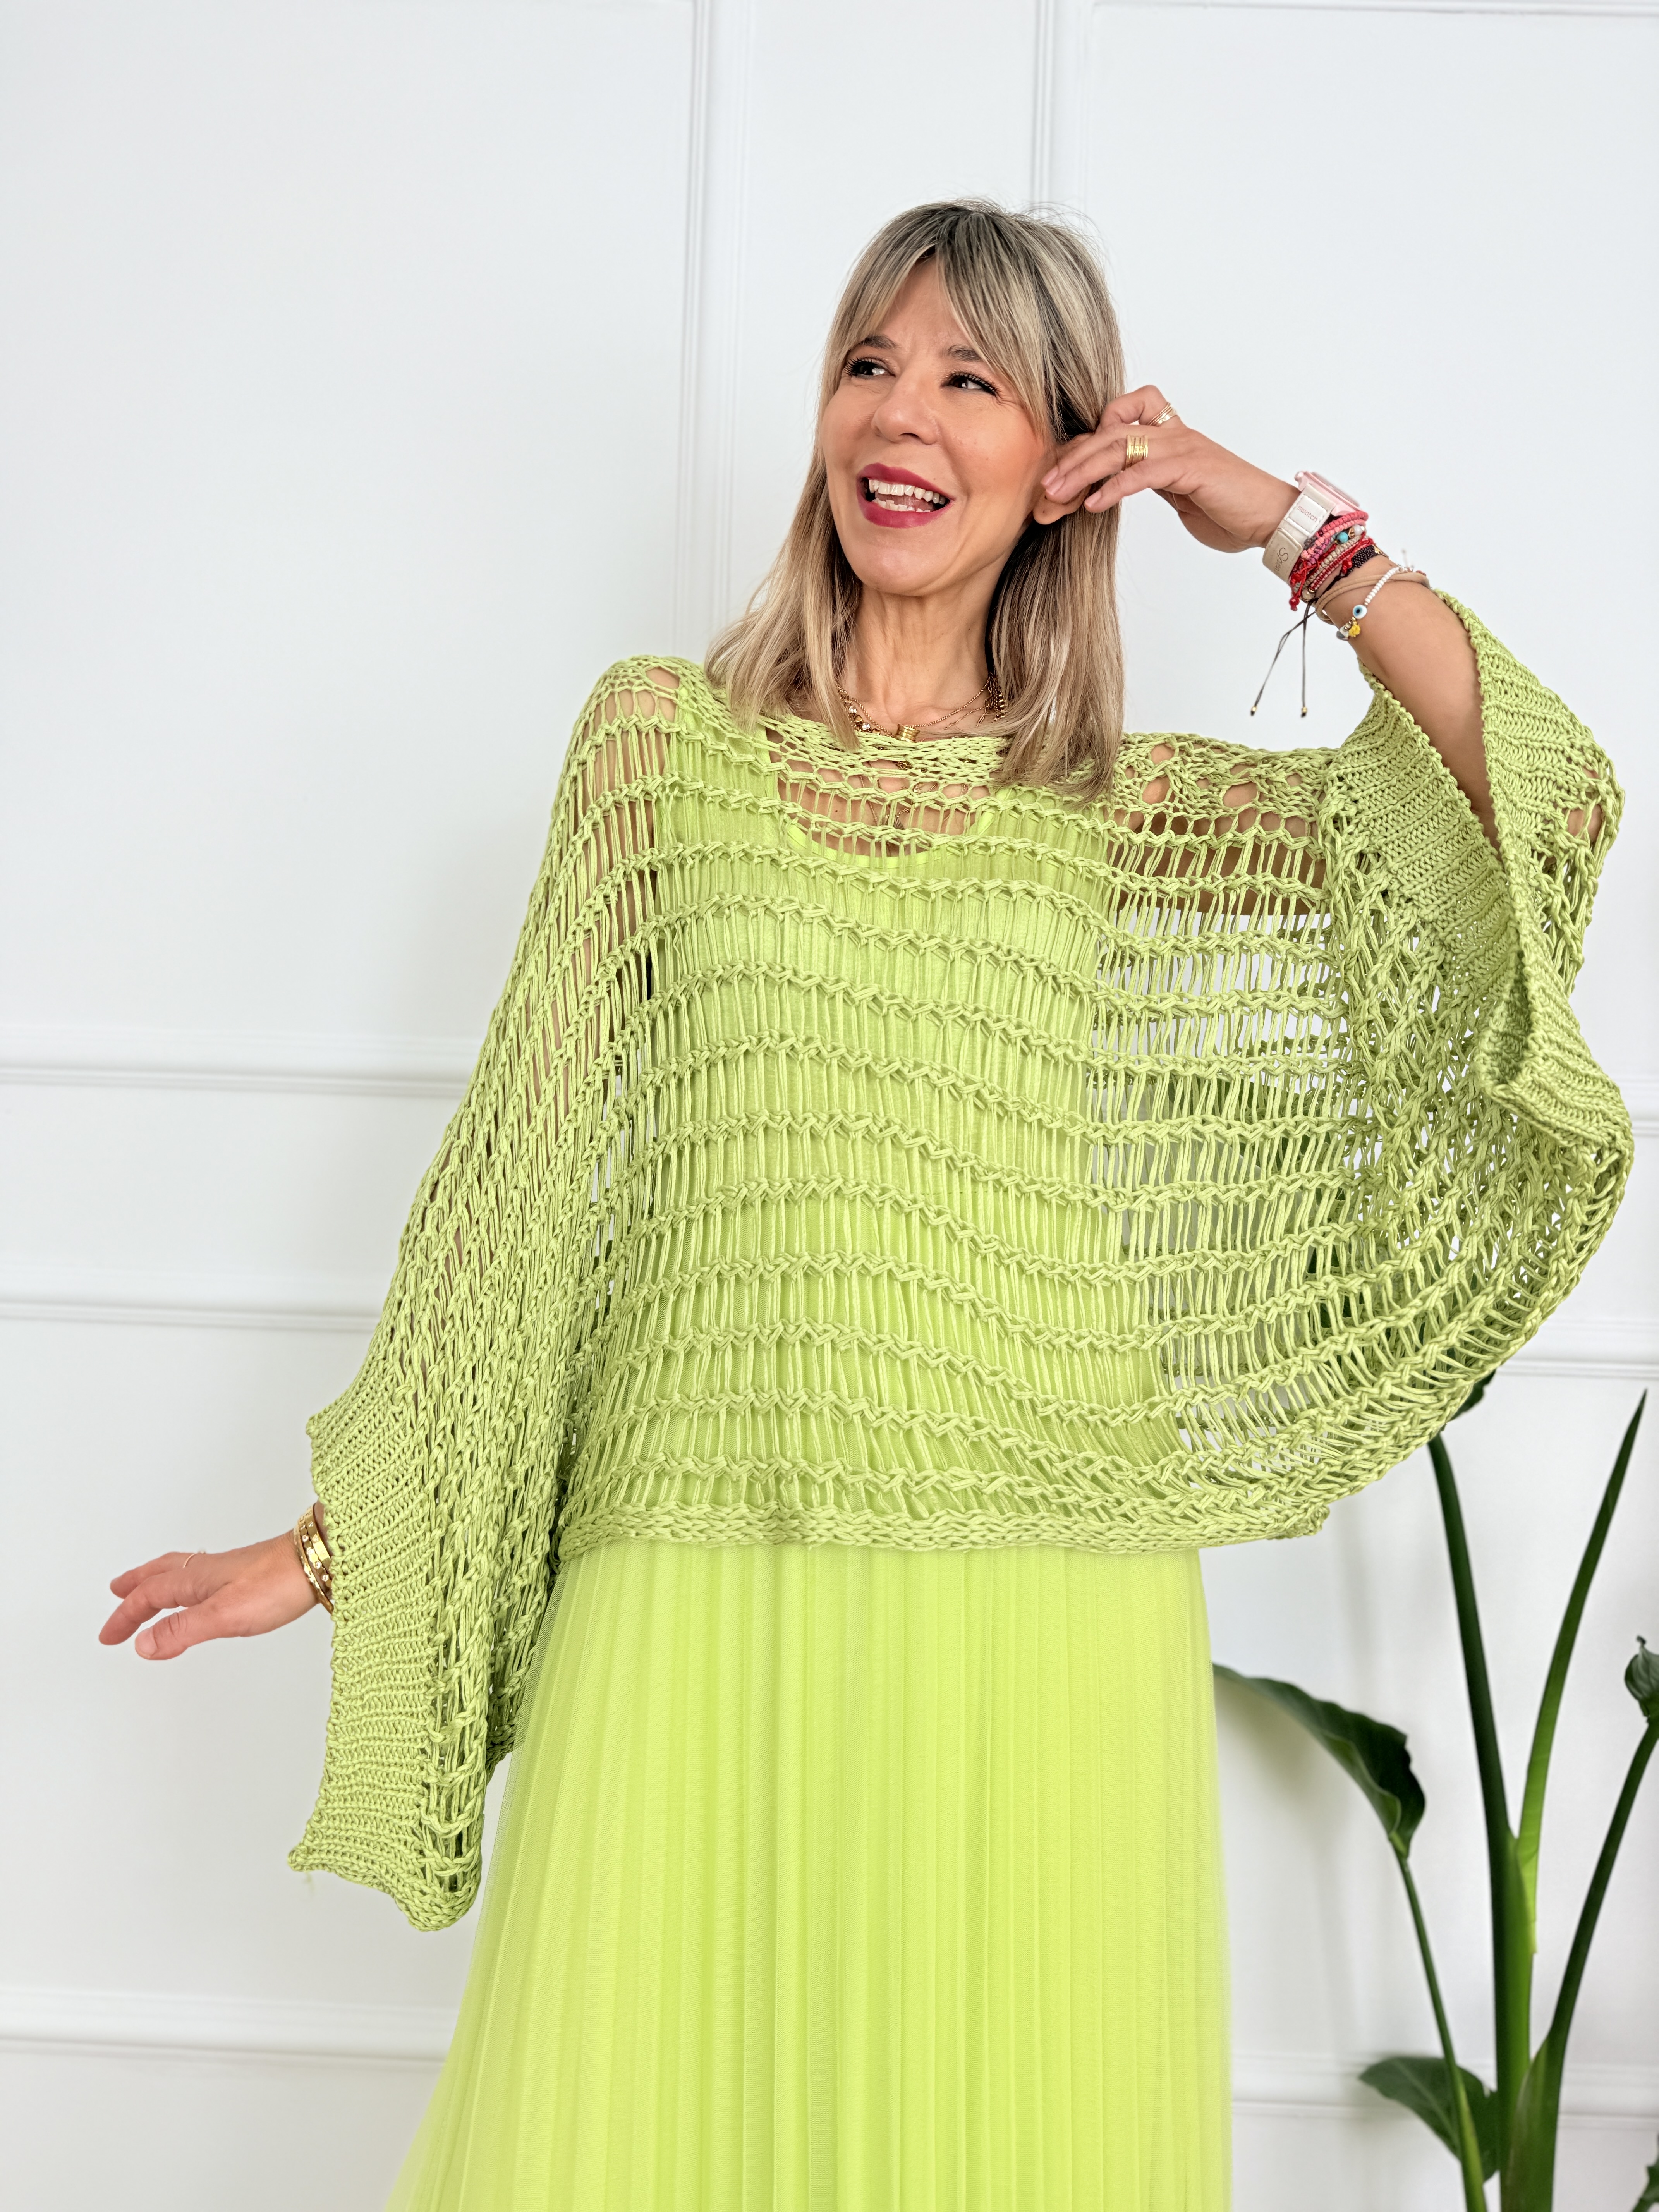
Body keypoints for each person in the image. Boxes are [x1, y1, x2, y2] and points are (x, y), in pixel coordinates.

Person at [100, 200, 1630, 2210]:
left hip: (1043, 1589)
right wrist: (339, 1542)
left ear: (1062, 456)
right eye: (868, 365)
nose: (900, 416)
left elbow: (1537, 806)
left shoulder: (1116, 808)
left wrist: (1274, 519)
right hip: (697, 1557)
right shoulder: (658, 752)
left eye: (970, 379)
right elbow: (517, 1199)